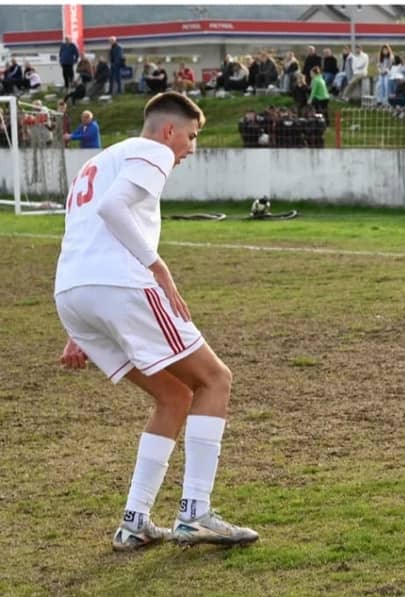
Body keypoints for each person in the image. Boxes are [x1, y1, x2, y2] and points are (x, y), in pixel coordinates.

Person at [54, 91, 258, 551]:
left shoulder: (101, 160)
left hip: (73, 292)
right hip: (120, 288)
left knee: (173, 395)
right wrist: (158, 267)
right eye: (192, 135)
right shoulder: (153, 151)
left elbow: (86, 231)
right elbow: (112, 211)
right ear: (169, 130)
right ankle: (195, 513)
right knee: (215, 380)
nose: (191, 147)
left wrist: (78, 326)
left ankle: (135, 521)